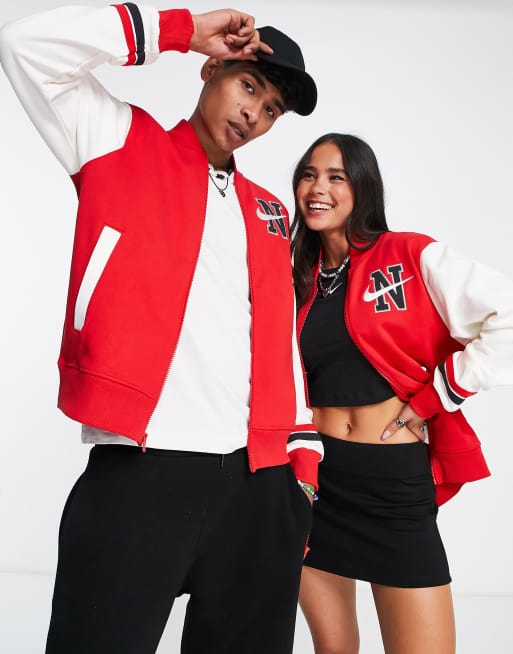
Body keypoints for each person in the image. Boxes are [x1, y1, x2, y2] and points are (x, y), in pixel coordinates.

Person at [0, 5, 323, 653]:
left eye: (271, 109)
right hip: (143, 471)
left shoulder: (268, 209)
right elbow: (23, 45)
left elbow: (279, 339)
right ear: (211, 70)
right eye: (248, 85)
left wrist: (301, 474)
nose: (253, 114)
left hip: (261, 486)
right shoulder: (117, 138)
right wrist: (179, 30)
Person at [290, 132, 513, 654]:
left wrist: (439, 394)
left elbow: (506, 314)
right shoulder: (295, 276)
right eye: (309, 175)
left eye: (336, 177)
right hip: (313, 484)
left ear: (362, 186)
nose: (318, 188)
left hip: (390, 484)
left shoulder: (409, 254)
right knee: (334, 648)